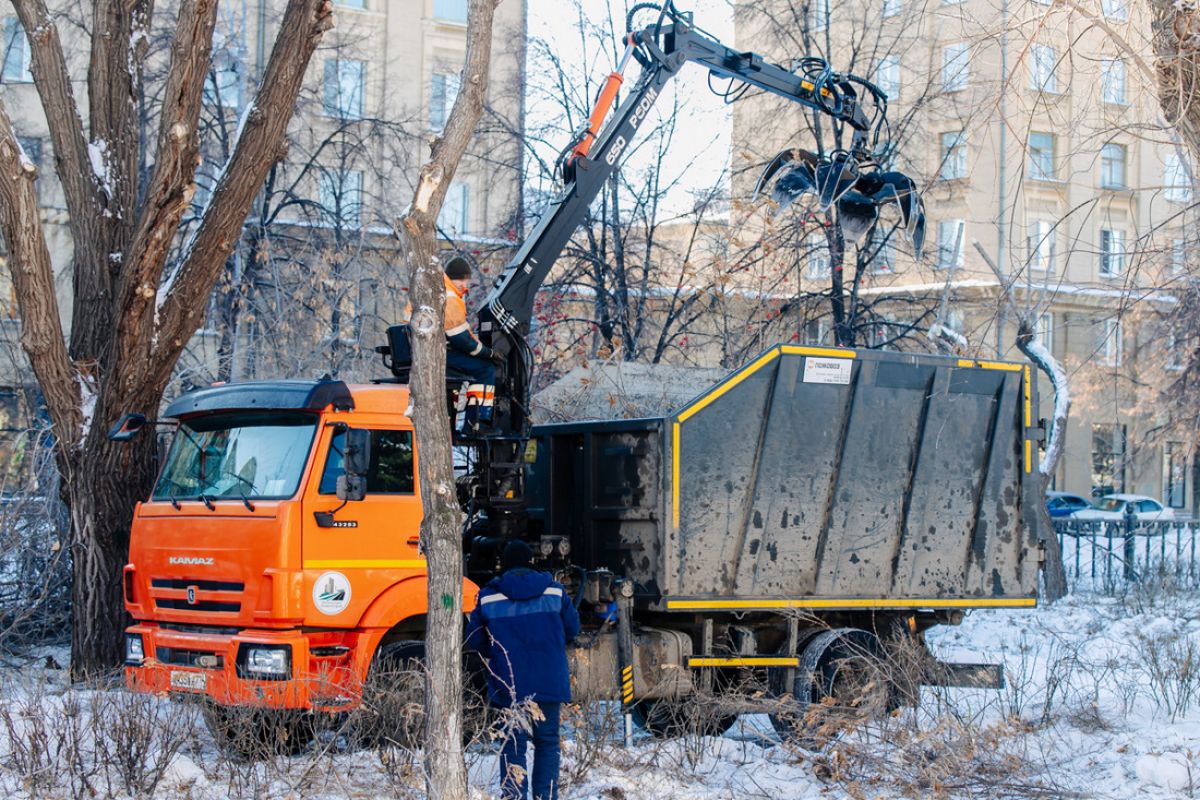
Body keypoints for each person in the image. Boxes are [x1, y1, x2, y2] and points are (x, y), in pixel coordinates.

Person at [466, 540, 580, 800]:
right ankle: (545, 796)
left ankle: (514, 796)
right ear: (531, 561)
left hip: (509, 684)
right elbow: (573, 629)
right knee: (548, 742)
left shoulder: (488, 596)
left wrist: (494, 652)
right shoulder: (555, 592)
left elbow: (474, 639)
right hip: (549, 680)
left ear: (504, 564)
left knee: (512, 744)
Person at [406, 255, 502, 424]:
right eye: (463, 281)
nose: (465, 286)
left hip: (424, 351)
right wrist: (488, 353)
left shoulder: (431, 290)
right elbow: (461, 339)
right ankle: (478, 422)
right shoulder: (449, 297)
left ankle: (454, 419)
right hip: (437, 354)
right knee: (485, 369)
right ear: (454, 279)